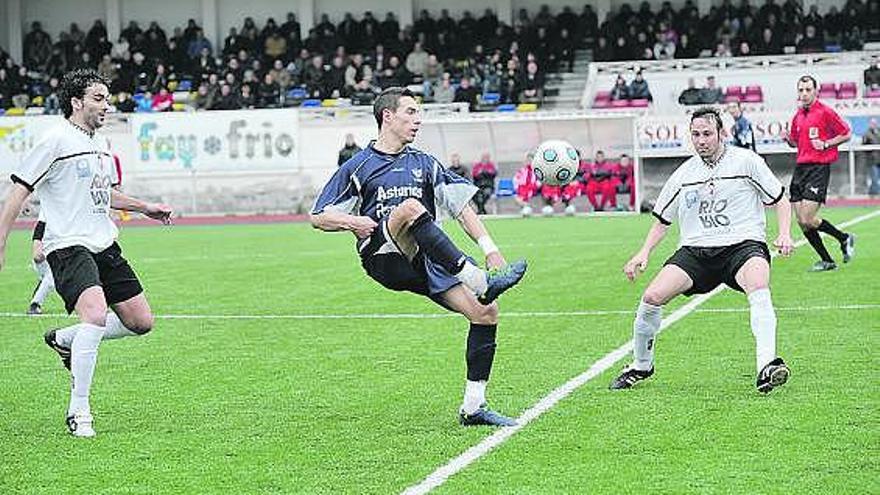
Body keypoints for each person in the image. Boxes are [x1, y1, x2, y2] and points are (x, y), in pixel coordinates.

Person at [310, 87, 527, 427]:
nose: (418, 119)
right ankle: (480, 279)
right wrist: (353, 221)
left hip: (423, 261)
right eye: (410, 112)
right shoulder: (359, 165)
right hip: (382, 256)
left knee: (486, 313)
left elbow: (461, 208)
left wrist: (492, 249)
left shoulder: (425, 163)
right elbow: (317, 216)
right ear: (388, 116)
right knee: (411, 208)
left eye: (418, 112)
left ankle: (474, 407)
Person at [0, 69, 173, 438]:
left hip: (102, 242)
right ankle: (79, 411)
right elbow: (18, 191)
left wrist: (145, 207)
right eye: (98, 98)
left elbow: (103, 194)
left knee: (141, 322)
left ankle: (64, 338)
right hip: (67, 244)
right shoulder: (53, 140)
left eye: (107, 99)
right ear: (76, 102)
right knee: (94, 315)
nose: (106, 106)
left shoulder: (100, 144)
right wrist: (1, 240)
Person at [610, 107, 794, 393]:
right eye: (695, 134)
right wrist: (643, 252)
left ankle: (766, 365)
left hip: (742, 246)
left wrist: (784, 233)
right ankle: (641, 365)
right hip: (696, 252)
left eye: (707, 134)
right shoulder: (684, 174)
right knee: (651, 296)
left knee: (759, 284)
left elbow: (781, 199)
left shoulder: (746, 162)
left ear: (722, 133)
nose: (701, 140)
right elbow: (662, 219)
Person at [784, 75, 854, 272]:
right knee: (802, 222)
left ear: (816, 91)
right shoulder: (798, 115)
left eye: (808, 90)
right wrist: (787, 140)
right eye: (801, 90)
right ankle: (827, 260)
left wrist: (826, 143)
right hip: (800, 169)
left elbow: (847, 133)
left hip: (818, 169)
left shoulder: (825, 112)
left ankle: (844, 238)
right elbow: (796, 143)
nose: (804, 94)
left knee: (807, 218)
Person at [28, 211, 56, 315]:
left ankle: (35, 303)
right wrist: (38, 253)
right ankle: (35, 304)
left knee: (50, 277)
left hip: (59, 254)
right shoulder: (45, 217)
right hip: (45, 255)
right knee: (50, 277)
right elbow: (38, 234)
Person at [862, 118, 880, 196]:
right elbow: (864, 145)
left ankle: (872, 194)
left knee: (876, 179)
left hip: (879, 159)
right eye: (872, 123)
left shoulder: (879, 132)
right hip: (873, 160)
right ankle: (874, 195)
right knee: (874, 178)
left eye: (875, 123)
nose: (874, 125)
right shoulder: (867, 134)